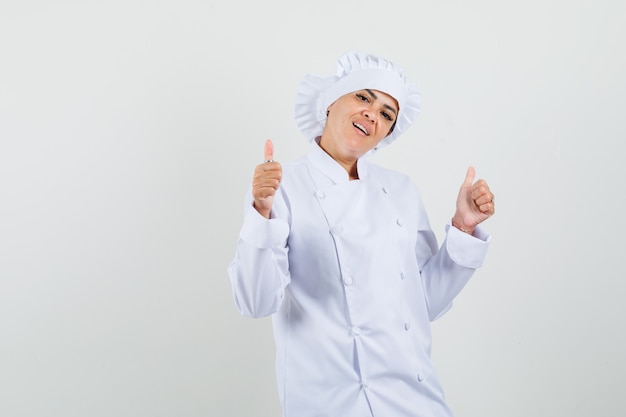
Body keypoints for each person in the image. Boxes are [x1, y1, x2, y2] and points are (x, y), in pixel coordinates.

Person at [227, 50, 495, 417]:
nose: (373, 113)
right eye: (364, 97)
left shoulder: (401, 189)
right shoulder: (280, 186)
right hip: (329, 399)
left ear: (386, 133)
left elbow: (423, 302)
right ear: (330, 103)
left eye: (387, 113)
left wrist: (464, 227)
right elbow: (256, 302)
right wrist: (260, 212)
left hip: (412, 396)